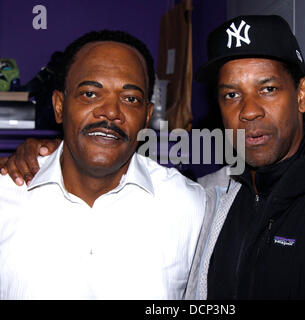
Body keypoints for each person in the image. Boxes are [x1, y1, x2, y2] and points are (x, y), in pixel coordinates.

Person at [2, 15, 305, 300]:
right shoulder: (213, 198)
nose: (249, 110)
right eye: (231, 95)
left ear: (301, 95)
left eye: (267, 89)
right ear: (58, 105)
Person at [0, 30, 205, 299]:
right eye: (90, 94)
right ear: (59, 106)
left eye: (130, 98)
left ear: (146, 116)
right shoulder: (7, 196)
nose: (110, 112)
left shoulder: (192, 207)